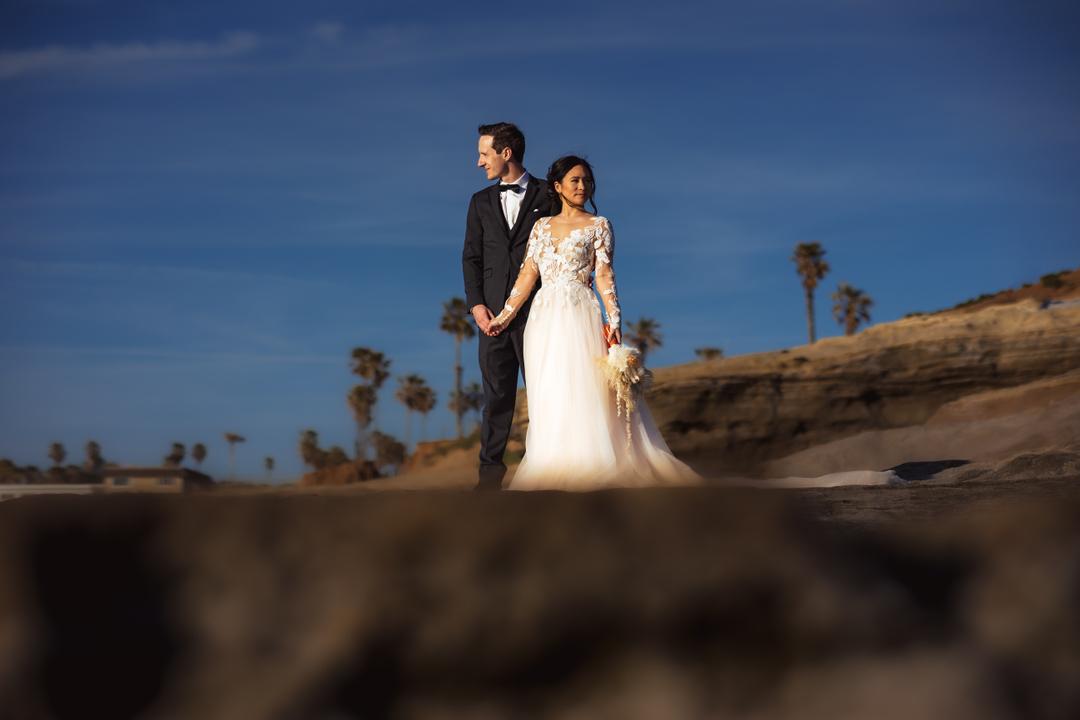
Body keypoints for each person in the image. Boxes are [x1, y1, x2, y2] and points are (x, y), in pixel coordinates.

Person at [486, 155, 703, 490]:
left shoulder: (599, 224)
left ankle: (592, 462)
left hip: (580, 313)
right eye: (575, 180)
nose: (582, 186)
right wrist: (504, 316)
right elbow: (528, 274)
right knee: (551, 388)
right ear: (557, 186)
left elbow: (603, 274)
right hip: (543, 318)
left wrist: (614, 318)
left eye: (587, 180)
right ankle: (551, 462)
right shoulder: (541, 227)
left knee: (585, 386)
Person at [462, 122, 557, 491]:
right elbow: (470, 257)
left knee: (545, 394)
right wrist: (477, 306)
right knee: (496, 398)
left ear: (506, 153)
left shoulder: (550, 195)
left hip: (539, 315)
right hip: (493, 321)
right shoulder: (479, 202)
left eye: (484, 153)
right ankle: (489, 483)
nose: (478, 161)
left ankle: (547, 471)